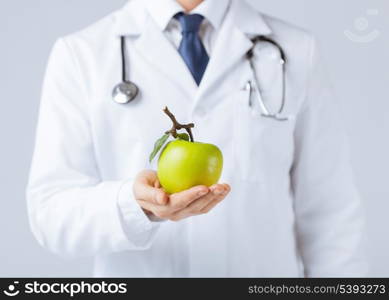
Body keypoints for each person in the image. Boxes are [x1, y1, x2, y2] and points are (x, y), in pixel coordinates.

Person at [27, 0, 368, 277]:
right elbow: (51, 215)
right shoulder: (81, 54)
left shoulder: (295, 50)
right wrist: (136, 206)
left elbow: (330, 212)